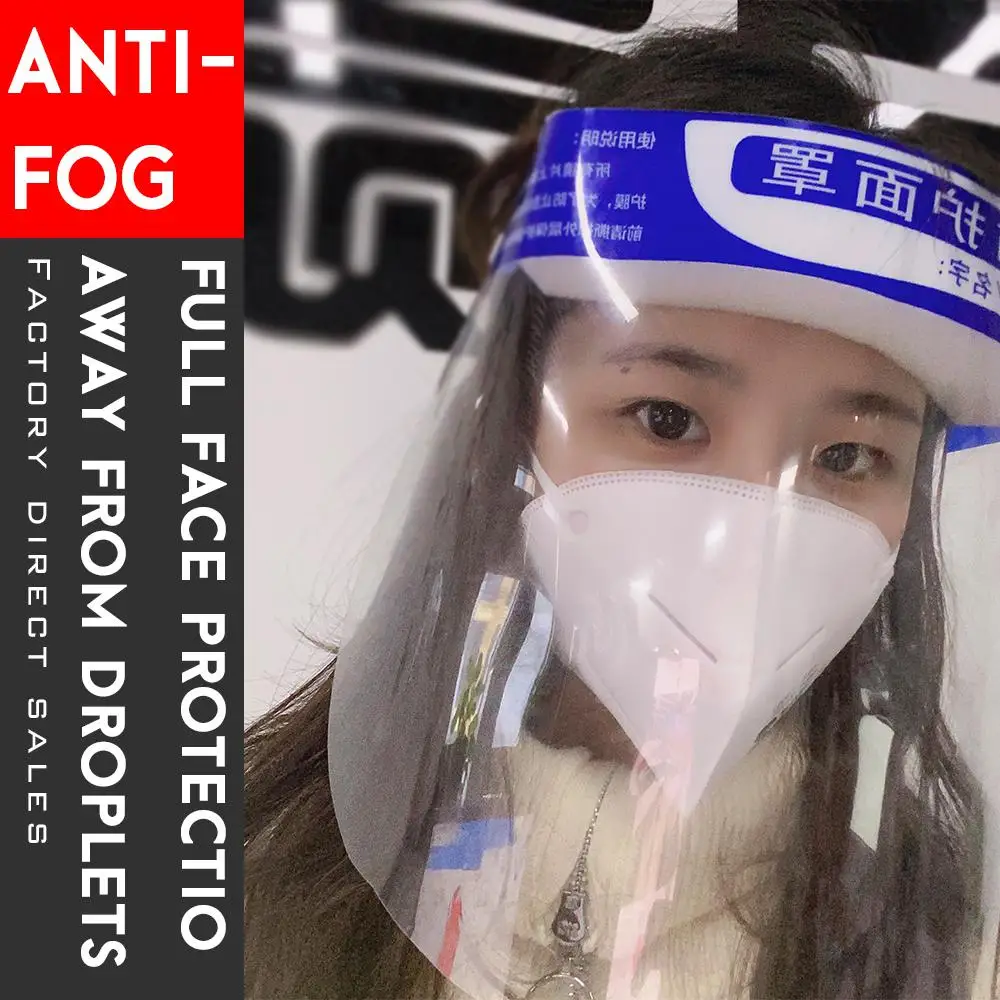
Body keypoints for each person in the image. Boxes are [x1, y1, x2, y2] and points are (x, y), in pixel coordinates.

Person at [245, 3, 1000, 998]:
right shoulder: (263, 861)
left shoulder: (937, 947)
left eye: (848, 456)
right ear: (515, 422)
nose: (751, 535)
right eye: (666, 418)